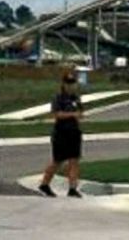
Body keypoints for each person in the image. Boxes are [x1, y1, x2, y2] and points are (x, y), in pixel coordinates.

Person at [38, 70, 84, 198]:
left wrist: (79, 115)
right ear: (63, 84)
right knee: (58, 160)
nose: (70, 86)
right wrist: (72, 114)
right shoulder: (58, 97)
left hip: (74, 131)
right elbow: (56, 114)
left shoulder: (76, 97)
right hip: (61, 132)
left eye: (73, 83)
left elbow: (80, 111)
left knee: (74, 160)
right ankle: (44, 184)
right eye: (68, 83)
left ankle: (73, 188)